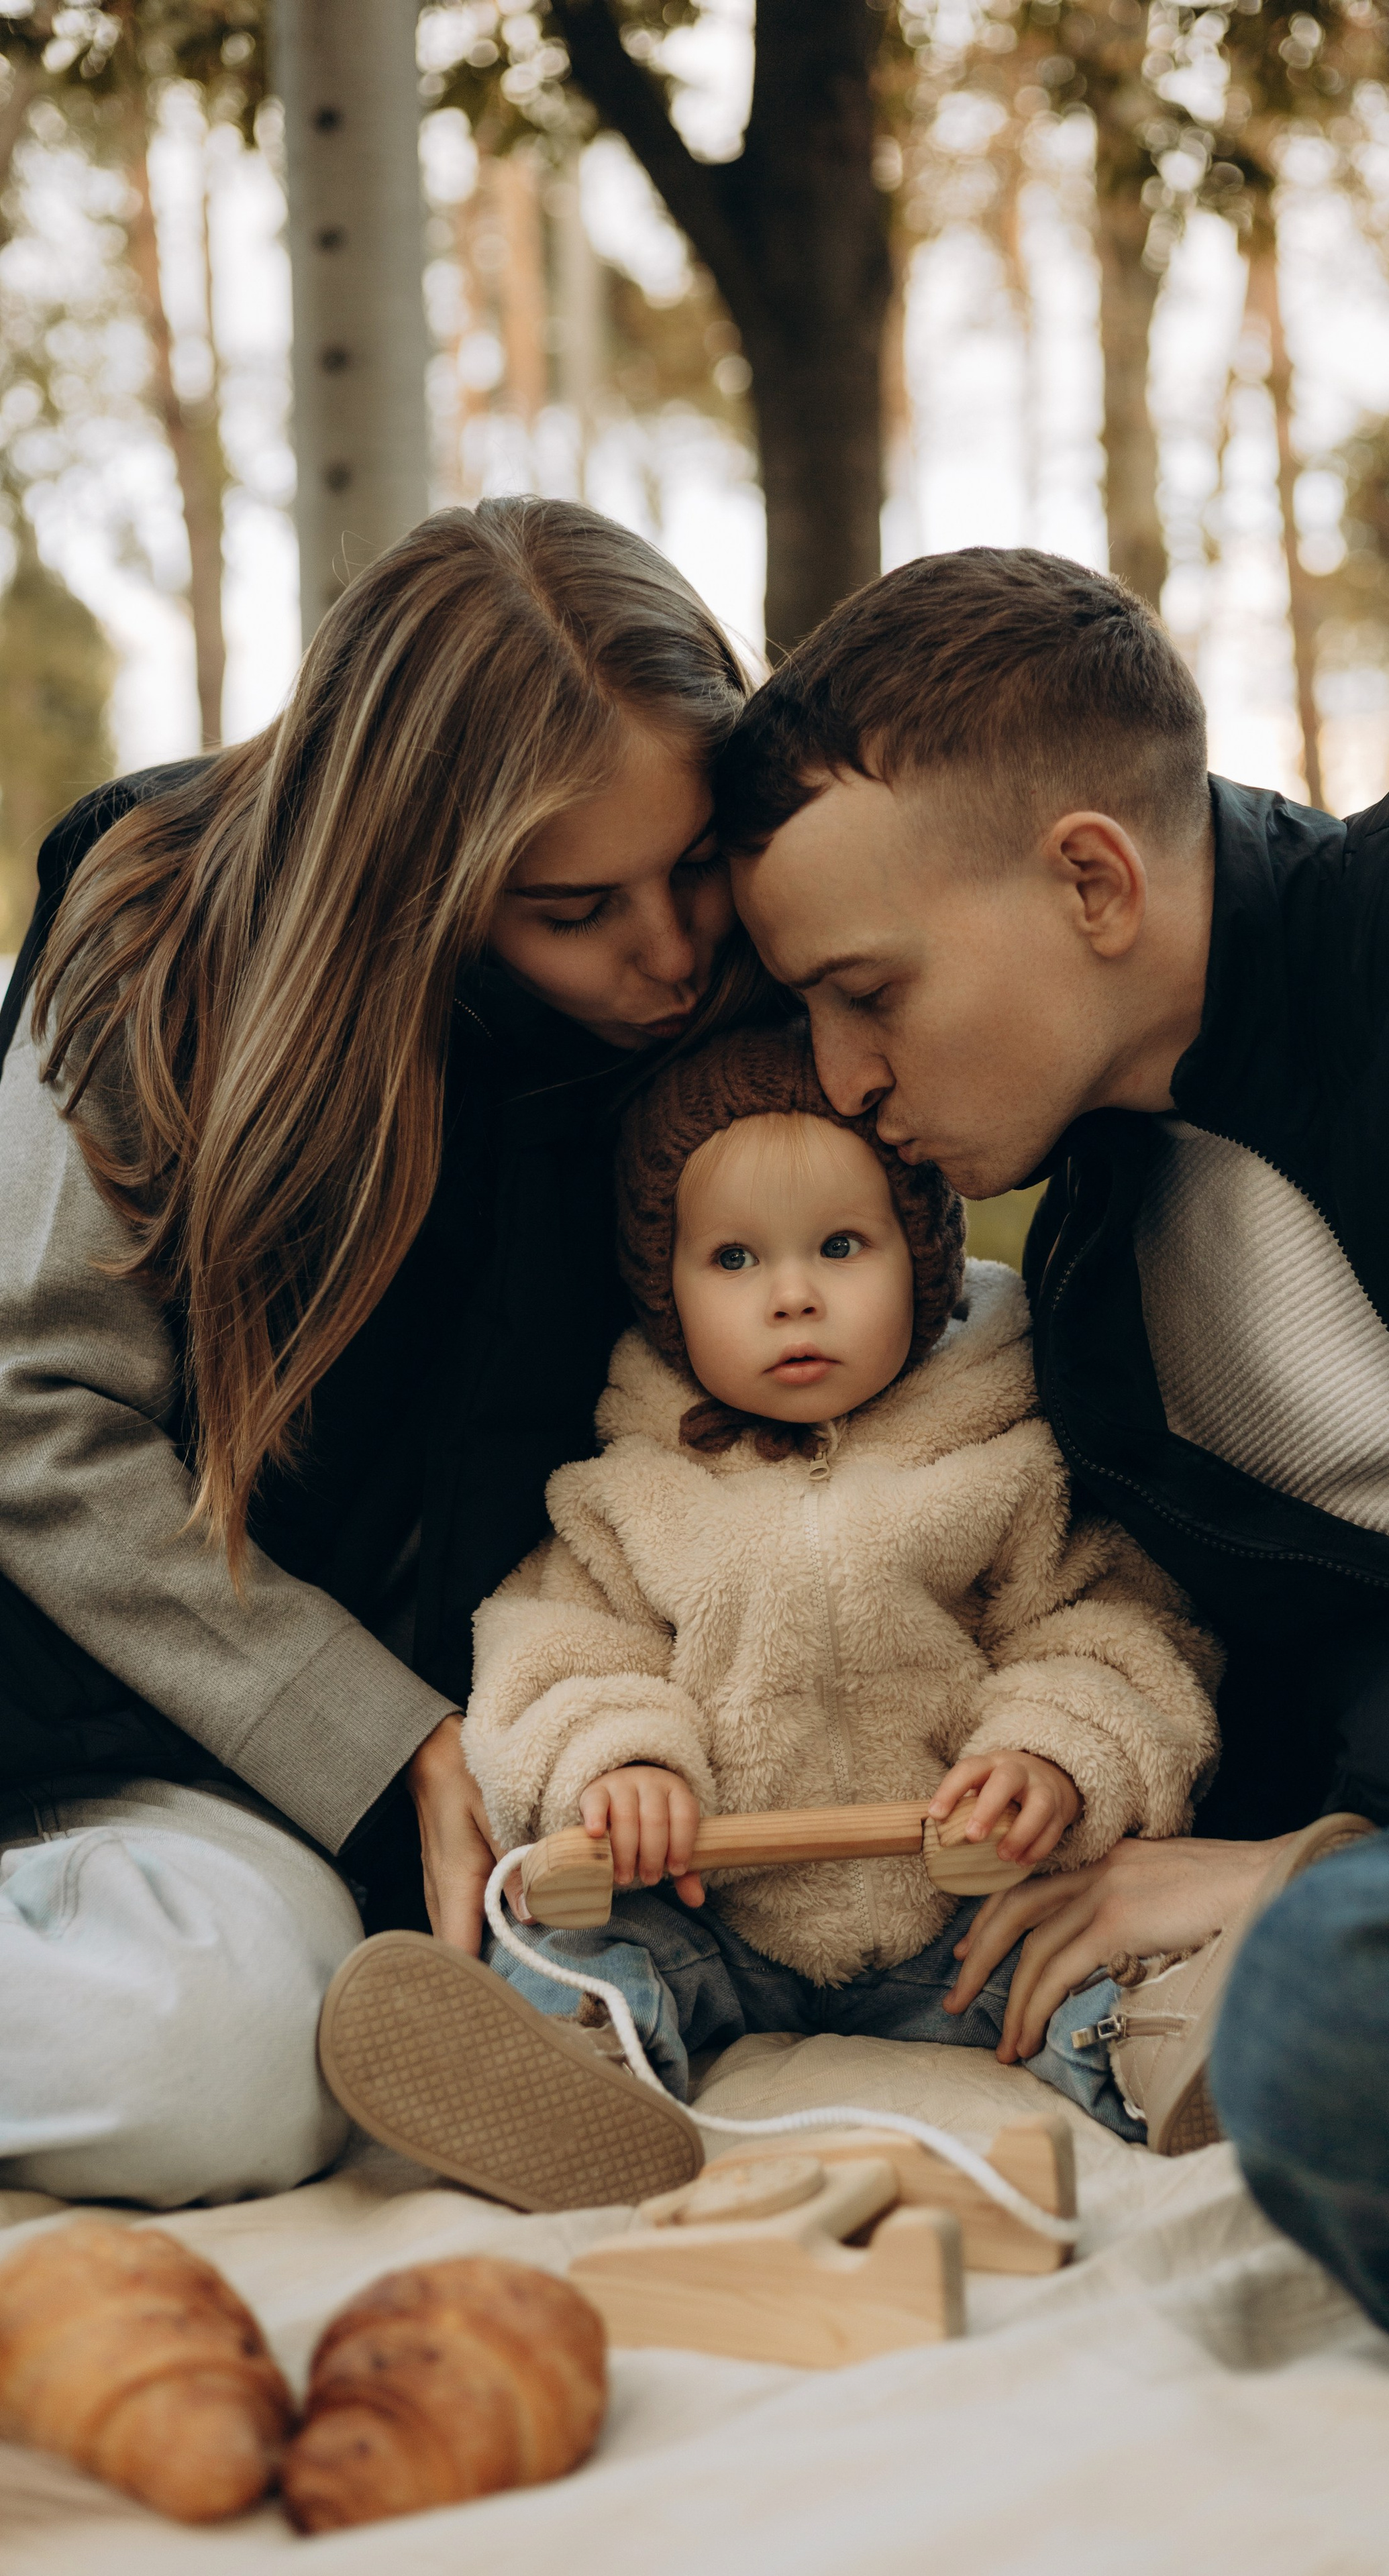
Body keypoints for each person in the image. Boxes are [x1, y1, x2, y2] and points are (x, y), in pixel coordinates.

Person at [711, 543, 1389, 2383]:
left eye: (868, 992)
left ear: (1091, 877)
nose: (843, 1076)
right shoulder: (1095, 1304)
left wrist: (1347, 1840)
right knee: (1336, 2024)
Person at [0, 496, 754, 2210]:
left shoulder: (715, 992)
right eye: (575, 908)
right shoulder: (155, 933)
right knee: (217, 2060)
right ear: (413, 875)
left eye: (695, 863)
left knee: (291, 2034)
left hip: (422, 1771)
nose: (668, 952)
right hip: (78, 1729)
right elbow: (29, 1421)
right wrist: (384, 1739)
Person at [313, 1022, 1223, 2208]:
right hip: (716, 1908)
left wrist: (1048, 1755)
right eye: (734, 1261)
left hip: (959, 1906)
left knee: (1098, 1953)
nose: (792, 1297)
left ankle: (1186, 2055)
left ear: (925, 1258)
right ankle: (574, 2067)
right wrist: (621, 1761)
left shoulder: (1004, 1448)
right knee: (585, 1939)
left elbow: (1108, 1629)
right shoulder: (627, 1484)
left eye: (841, 1246)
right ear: (664, 1289)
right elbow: (554, 1653)